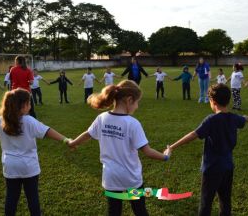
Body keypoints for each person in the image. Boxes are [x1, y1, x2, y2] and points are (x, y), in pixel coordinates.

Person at [67, 80, 171, 216]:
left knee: (114, 212)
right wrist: (166, 156)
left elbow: (88, 134)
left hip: (111, 178)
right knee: (140, 211)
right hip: (131, 178)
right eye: (137, 102)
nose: (137, 106)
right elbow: (147, 151)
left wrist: (74, 142)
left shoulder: (101, 118)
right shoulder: (132, 124)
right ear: (129, 100)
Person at [0, 88, 71, 216]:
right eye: (29, 103)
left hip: (10, 165)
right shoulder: (29, 121)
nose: (30, 106)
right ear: (23, 106)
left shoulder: (2, 120)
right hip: (29, 166)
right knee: (32, 197)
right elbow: (48, 131)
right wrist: (66, 140)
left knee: (11, 197)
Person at [168, 83, 248, 216]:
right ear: (228, 100)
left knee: (206, 202)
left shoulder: (211, 120)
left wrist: (172, 147)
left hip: (212, 168)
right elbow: (243, 119)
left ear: (212, 101)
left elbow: (193, 134)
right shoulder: (233, 117)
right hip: (228, 167)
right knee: (225, 200)